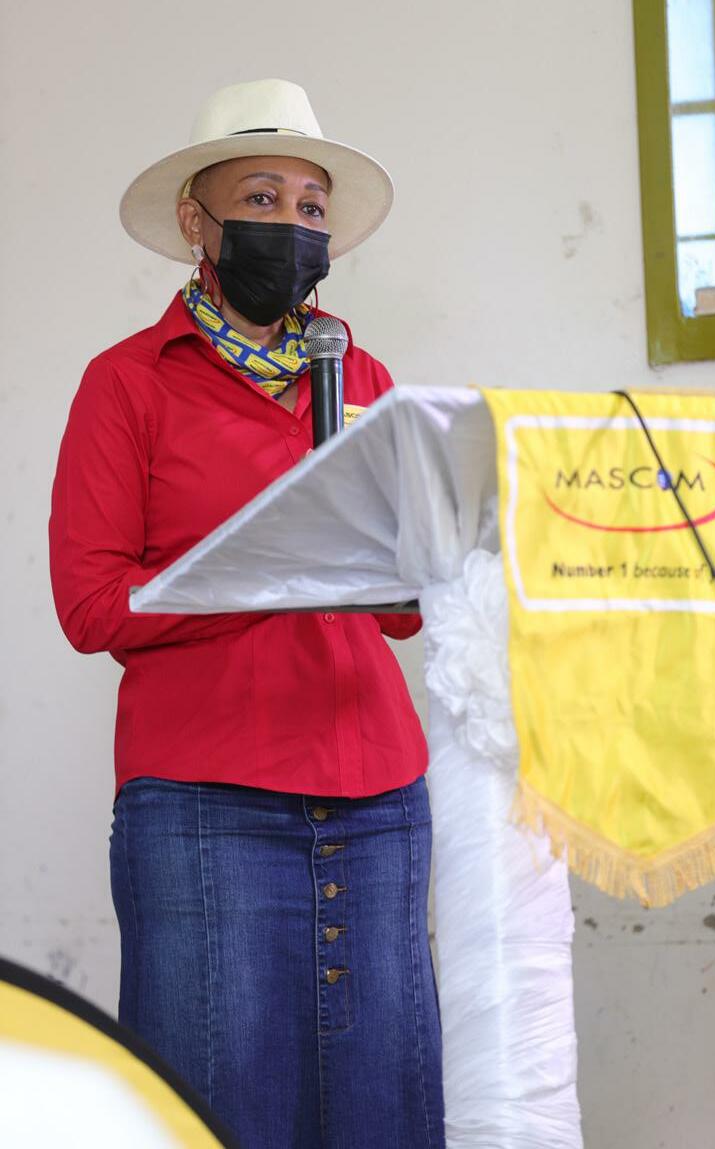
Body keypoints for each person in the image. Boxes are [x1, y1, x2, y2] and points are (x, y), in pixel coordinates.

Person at [48, 79, 445, 1149]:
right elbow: (91, 603)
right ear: (198, 222)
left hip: (379, 797)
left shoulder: (361, 375)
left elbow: (401, 617)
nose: (292, 225)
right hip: (205, 806)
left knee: (384, 1117)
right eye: (261, 199)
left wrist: (437, 559)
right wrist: (261, 570)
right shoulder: (126, 385)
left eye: (312, 207)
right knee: (218, 1116)